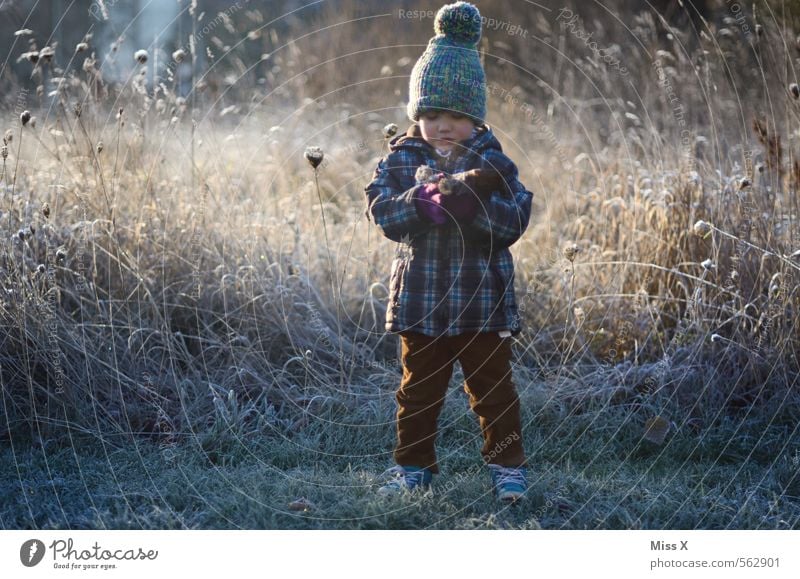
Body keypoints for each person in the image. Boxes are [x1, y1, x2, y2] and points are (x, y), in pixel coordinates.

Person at [364, 1, 534, 503]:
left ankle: (508, 470)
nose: (442, 125)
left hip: (483, 304)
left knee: (494, 393)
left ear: (475, 118)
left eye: (456, 116)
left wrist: (472, 205)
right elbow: (383, 214)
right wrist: (422, 203)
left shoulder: (494, 162)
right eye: (431, 114)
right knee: (418, 392)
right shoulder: (400, 158)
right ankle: (413, 467)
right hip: (421, 301)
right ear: (416, 115)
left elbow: (514, 220)